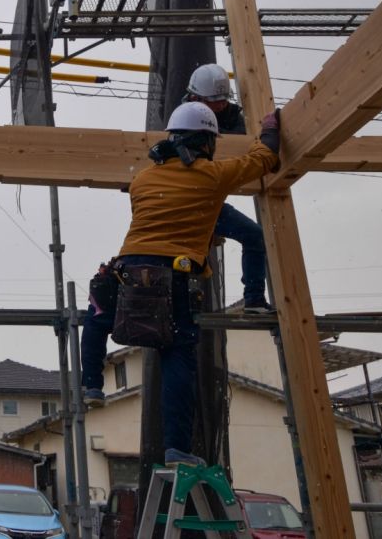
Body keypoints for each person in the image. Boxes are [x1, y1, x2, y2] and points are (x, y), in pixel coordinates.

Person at [81, 101, 280, 466]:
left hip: (131, 266)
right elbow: (262, 159)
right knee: (176, 355)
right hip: (175, 276)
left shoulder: (142, 180)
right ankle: (177, 448)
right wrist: (269, 130)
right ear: (207, 141)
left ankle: (91, 383)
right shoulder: (212, 176)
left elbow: (160, 218)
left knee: (97, 314)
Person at [183, 63, 273, 313]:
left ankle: (254, 299)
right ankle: (179, 306)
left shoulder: (233, 116)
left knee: (255, 236)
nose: (221, 105)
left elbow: (244, 146)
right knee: (181, 256)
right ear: (196, 97)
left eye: (223, 100)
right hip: (185, 201)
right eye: (215, 100)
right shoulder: (183, 118)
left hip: (210, 200)